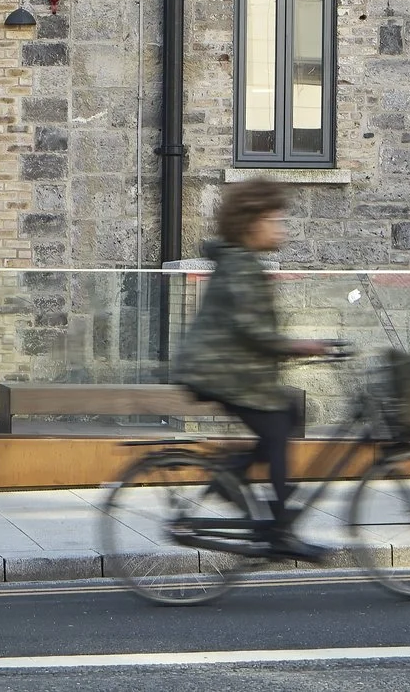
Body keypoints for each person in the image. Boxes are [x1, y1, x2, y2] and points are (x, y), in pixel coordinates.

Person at [170, 180, 337, 561]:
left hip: (231, 371)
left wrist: (296, 348)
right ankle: (279, 532)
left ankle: (233, 477)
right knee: (276, 427)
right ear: (251, 223)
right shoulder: (240, 267)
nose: (281, 228)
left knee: (289, 411)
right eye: (274, 220)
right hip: (219, 374)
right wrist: (302, 346)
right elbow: (253, 331)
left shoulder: (243, 263)